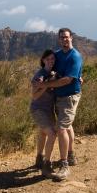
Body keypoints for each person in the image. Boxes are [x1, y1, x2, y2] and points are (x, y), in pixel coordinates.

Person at [39, 27, 82, 178]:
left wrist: (46, 85)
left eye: (67, 37)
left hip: (70, 97)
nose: (65, 39)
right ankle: (70, 155)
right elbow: (49, 68)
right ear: (59, 39)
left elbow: (67, 80)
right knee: (67, 126)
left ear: (72, 38)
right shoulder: (57, 55)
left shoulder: (75, 56)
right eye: (62, 37)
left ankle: (64, 165)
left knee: (62, 128)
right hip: (58, 97)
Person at [29, 50, 60, 179]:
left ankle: (39, 158)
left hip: (49, 110)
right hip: (38, 109)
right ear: (43, 60)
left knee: (43, 133)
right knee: (52, 134)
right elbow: (34, 96)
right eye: (48, 59)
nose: (50, 61)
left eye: (52, 59)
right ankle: (47, 164)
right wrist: (46, 86)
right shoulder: (39, 75)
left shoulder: (55, 73)